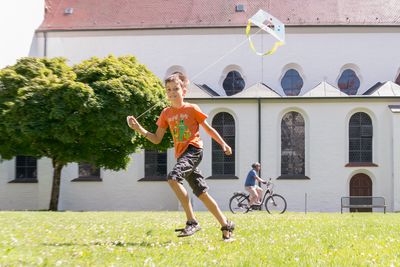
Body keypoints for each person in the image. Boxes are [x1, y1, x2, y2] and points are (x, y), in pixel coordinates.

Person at [126, 72, 235, 241]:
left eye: (175, 88)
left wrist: (223, 143)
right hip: (182, 155)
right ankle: (226, 225)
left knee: (173, 178)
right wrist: (139, 129)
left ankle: (192, 222)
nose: (172, 92)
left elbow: (208, 129)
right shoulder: (165, 113)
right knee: (201, 193)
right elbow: (156, 139)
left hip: (194, 149)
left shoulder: (192, 108)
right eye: (168, 89)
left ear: (184, 90)